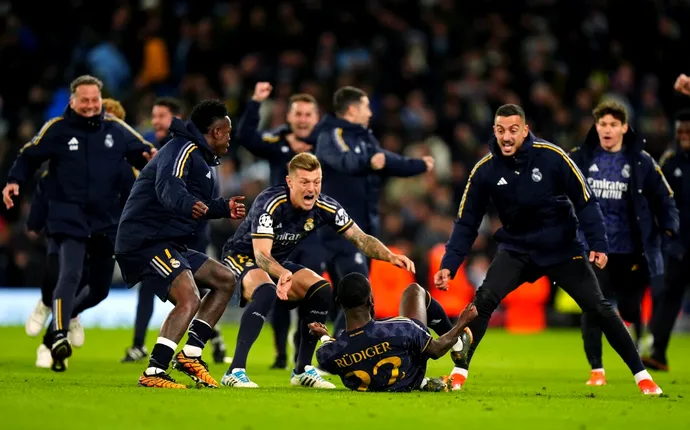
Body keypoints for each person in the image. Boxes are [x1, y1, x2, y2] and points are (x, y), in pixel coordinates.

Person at [433, 104, 663, 395]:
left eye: (513, 130)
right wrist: (449, 264)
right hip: (517, 249)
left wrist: (599, 243)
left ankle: (641, 375)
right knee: (483, 300)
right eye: (501, 130)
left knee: (598, 307)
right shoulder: (485, 170)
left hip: (561, 249)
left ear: (525, 130)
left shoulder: (553, 157)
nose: (506, 136)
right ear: (494, 131)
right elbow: (466, 222)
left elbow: (585, 201)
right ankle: (458, 373)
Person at [220, 152, 415, 389]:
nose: (311, 188)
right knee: (265, 290)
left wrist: (390, 256)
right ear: (290, 182)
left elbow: (361, 239)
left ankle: (302, 370)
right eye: (304, 182)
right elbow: (260, 255)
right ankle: (234, 370)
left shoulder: (325, 206)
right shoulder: (270, 202)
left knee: (321, 289)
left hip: (277, 263)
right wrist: (281, 273)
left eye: (316, 181)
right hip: (241, 257)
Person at [3, 76, 156, 372]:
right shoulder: (57, 129)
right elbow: (28, 155)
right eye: (84, 100)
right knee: (69, 273)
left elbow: (143, 150)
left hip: (105, 221)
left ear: (100, 100)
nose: (90, 106)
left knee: (99, 289)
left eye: (94, 100)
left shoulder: (115, 129)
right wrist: (13, 181)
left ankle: (55, 328)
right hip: (68, 217)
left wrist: (151, 156)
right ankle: (59, 333)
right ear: (72, 101)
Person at [115, 100, 246, 388]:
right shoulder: (181, 149)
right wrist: (189, 204)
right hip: (144, 239)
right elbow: (169, 188)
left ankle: (191, 354)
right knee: (189, 297)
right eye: (227, 132)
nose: (229, 138)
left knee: (225, 279)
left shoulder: (199, 156)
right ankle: (154, 371)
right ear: (214, 131)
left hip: (167, 240)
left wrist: (224, 208)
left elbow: (196, 203)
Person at [569, 101, 678, 385]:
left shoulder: (640, 161)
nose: (607, 130)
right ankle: (597, 369)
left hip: (629, 250)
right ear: (596, 127)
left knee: (629, 307)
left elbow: (664, 197)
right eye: (602, 124)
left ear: (624, 128)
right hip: (591, 246)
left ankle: (636, 336)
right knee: (592, 305)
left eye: (613, 125)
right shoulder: (580, 158)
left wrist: (670, 225)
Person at [315, 86, 434, 335]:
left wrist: (418, 165)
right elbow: (342, 161)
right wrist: (368, 161)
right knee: (357, 292)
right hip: (341, 229)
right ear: (351, 109)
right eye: (366, 107)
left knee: (347, 295)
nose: (370, 112)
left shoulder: (364, 137)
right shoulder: (331, 134)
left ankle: (332, 349)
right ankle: (339, 348)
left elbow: (388, 161)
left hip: (364, 230)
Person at [27, 98, 135, 368]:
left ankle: (63, 322)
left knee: (97, 290)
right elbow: (45, 184)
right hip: (67, 225)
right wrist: (36, 222)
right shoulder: (69, 152)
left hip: (103, 231)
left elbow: (131, 199)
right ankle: (51, 329)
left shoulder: (122, 165)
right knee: (60, 276)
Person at [235, 82, 322, 369]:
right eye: (298, 114)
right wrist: (256, 102)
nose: (303, 119)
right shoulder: (277, 142)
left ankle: (301, 356)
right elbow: (246, 136)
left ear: (316, 117)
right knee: (277, 290)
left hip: (309, 230)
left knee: (309, 290)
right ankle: (281, 352)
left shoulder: (327, 144)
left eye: (308, 114)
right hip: (273, 228)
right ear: (290, 117)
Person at [311, 273, 477, 392]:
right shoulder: (401, 328)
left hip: (375, 384)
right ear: (370, 300)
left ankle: (424, 383)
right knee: (414, 291)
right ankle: (457, 343)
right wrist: (461, 324)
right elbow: (435, 350)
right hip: (411, 378)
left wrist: (324, 335)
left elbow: (331, 350)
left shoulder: (327, 353)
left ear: (339, 303)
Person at [643, 109, 690, 371]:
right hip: (678, 245)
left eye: (687, 131)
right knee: (667, 297)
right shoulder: (671, 162)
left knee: (668, 297)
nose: (683, 136)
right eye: (680, 131)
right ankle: (658, 352)